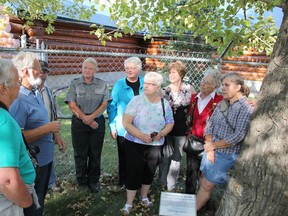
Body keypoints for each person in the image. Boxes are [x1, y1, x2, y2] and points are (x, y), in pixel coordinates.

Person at [10, 52, 61, 216]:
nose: (41, 72)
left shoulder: (35, 92)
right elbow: (16, 137)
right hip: (32, 165)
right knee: (32, 206)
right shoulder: (18, 99)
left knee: (40, 200)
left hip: (44, 160)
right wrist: (47, 129)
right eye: (37, 68)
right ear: (25, 71)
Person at [196, 72, 253, 211]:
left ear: (238, 87)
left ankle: (189, 212)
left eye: (227, 85)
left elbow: (238, 135)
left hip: (225, 154)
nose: (222, 88)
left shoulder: (245, 107)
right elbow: (209, 124)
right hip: (210, 150)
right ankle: (200, 208)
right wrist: (209, 147)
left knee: (206, 185)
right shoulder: (223, 103)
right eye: (222, 85)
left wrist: (212, 147)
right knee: (203, 180)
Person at [121, 72, 174, 215]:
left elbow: (170, 123)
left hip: (155, 145)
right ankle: (129, 202)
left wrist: (161, 134)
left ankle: (144, 196)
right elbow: (126, 123)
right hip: (135, 144)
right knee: (133, 172)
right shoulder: (136, 101)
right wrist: (141, 135)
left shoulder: (164, 103)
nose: (146, 86)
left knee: (149, 172)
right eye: (145, 83)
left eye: (151, 84)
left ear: (158, 87)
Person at [65, 57, 109, 193]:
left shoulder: (102, 84)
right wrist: (86, 118)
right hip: (80, 122)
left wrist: (92, 117)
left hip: (97, 123)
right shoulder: (74, 83)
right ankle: (82, 182)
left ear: (96, 70)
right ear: (82, 68)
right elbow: (71, 104)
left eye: (90, 68)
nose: (87, 70)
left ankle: (93, 181)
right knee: (80, 154)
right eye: (85, 68)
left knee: (95, 153)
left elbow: (105, 103)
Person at [0, 59, 35, 216]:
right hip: (9, 200)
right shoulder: (5, 122)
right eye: (16, 81)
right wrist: (27, 202)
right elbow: (7, 181)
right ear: (3, 89)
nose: (20, 85)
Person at [158, 60, 196, 191]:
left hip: (182, 131)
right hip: (167, 130)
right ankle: (162, 182)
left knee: (176, 159)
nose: (171, 75)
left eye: (174, 72)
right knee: (165, 157)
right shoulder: (164, 91)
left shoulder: (189, 89)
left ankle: (171, 184)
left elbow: (196, 106)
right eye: (170, 72)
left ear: (181, 74)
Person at [107, 57, 144, 188]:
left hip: (142, 128)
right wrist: (112, 126)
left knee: (140, 156)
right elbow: (112, 107)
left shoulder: (145, 83)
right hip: (123, 128)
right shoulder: (119, 85)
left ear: (139, 69)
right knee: (124, 156)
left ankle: (138, 181)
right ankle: (124, 182)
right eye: (127, 68)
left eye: (132, 68)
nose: (129, 70)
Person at [185, 68, 223, 194]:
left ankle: (202, 202)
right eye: (202, 81)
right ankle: (188, 198)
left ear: (215, 86)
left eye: (207, 83)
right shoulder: (193, 98)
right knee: (191, 172)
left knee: (205, 174)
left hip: (210, 144)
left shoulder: (220, 101)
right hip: (194, 141)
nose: (203, 84)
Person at [38, 60, 66, 193]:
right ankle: (34, 184)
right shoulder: (26, 92)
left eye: (44, 72)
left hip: (48, 130)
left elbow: (53, 112)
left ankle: (51, 183)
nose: (41, 74)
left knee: (49, 157)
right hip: (33, 131)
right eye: (39, 71)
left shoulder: (48, 91)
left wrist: (56, 134)